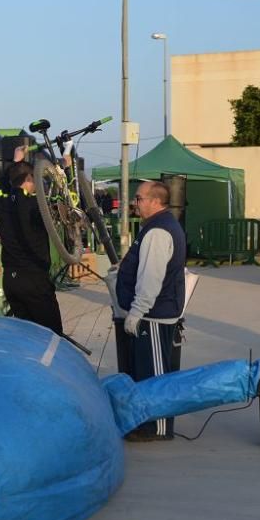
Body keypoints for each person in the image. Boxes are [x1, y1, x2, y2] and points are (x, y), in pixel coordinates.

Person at [115, 181, 187, 441]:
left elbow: (151, 277)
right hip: (153, 312)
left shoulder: (158, 232)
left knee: (154, 373)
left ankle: (156, 428)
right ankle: (147, 423)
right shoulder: (157, 226)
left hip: (154, 315)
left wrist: (137, 311)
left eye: (139, 198)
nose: (135, 203)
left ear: (155, 201)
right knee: (146, 371)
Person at [0, 152, 64, 335]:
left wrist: (14, 164)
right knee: (52, 336)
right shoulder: (35, 205)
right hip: (34, 279)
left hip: (11, 280)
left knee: (28, 337)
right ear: (30, 178)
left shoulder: (2, 200)